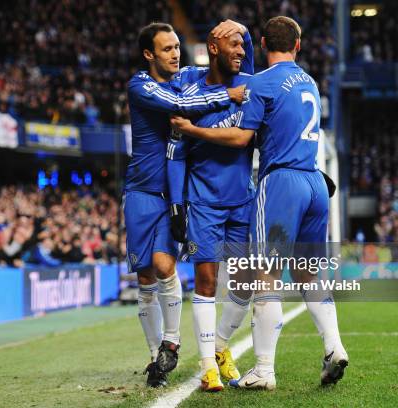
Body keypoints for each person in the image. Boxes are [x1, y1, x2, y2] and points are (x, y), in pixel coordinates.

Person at [170, 16, 348, 390]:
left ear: (263, 45)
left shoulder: (261, 84)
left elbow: (241, 138)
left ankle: (264, 369)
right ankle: (334, 347)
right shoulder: (310, 81)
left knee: (265, 275)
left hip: (281, 182)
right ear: (297, 46)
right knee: (307, 273)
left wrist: (191, 130)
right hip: (315, 182)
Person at [126, 21, 246, 387]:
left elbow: (219, 72)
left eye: (177, 46)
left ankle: (172, 343)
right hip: (141, 192)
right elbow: (180, 105)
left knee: (164, 266)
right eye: (167, 49)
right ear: (149, 54)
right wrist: (230, 96)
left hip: (174, 195)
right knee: (145, 277)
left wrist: (237, 35)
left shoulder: (186, 76)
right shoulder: (141, 85)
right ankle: (155, 358)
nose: (176, 53)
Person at [166, 23, 255, 392]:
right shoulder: (189, 90)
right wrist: (176, 205)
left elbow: (252, 55)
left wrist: (245, 32)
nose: (241, 50)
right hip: (204, 201)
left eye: (244, 45)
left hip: (243, 200)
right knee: (206, 282)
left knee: (247, 282)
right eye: (234, 44)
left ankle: (219, 346)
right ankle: (207, 366)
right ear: (213, 48)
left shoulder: (249, 85)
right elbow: (175, 152)